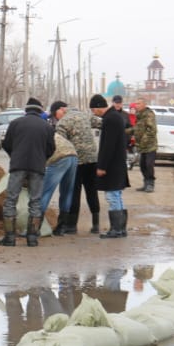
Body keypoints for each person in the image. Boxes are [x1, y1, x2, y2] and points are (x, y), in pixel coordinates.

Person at [0, 97, 55, 247]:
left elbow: (6, 144)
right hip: (38, 167)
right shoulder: (47, 127)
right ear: (40, 110)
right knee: (35, 201)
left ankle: (10, 238)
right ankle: (32, 238)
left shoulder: (15, 124)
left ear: (26, 110)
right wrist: (41, 158)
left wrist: (15, 156)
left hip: (18, 166)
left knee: (11, 200)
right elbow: (51, 149)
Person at [58, 98, 102, 234]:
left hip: (76, 161)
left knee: (74, 192)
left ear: (61, 110)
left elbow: (60, 144)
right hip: (92, 159)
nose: (56, 116)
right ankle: (96, 224)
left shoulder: (63, 122)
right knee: (92, 191)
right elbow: (101, 123)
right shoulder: (85, 115)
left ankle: (72, 226)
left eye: (56, 113)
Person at [92, 93, 131, 238]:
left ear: (98, 108)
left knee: (112, 195)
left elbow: (108, 145)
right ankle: (121, 229)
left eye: (93, 110)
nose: (93, 113)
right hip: (118, 163)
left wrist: (102, 166)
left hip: (112, 165)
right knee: (117, 195)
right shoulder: (115, 117)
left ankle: (116, 229)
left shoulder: (110, 119)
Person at [41, 103, 79, 236]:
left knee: (46, 191)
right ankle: (61, 227)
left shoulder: (38, 134)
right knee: (67, 192)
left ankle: (35, 226)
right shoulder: (48, 128)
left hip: (59, 158)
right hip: (73, 154)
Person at [131, 96, 158, 192]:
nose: (136, 105)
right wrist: (125, 131)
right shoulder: (139, 115)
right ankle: (146, 183)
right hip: (142, 146)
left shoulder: (149, 114)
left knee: (149, 164)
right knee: (142, 165)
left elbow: (151, 130)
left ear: (144, 104)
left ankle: (150, 184)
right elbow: (137, 129)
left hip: (150, 145)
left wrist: (143, 140)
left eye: (138, 104)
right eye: (136, 103)